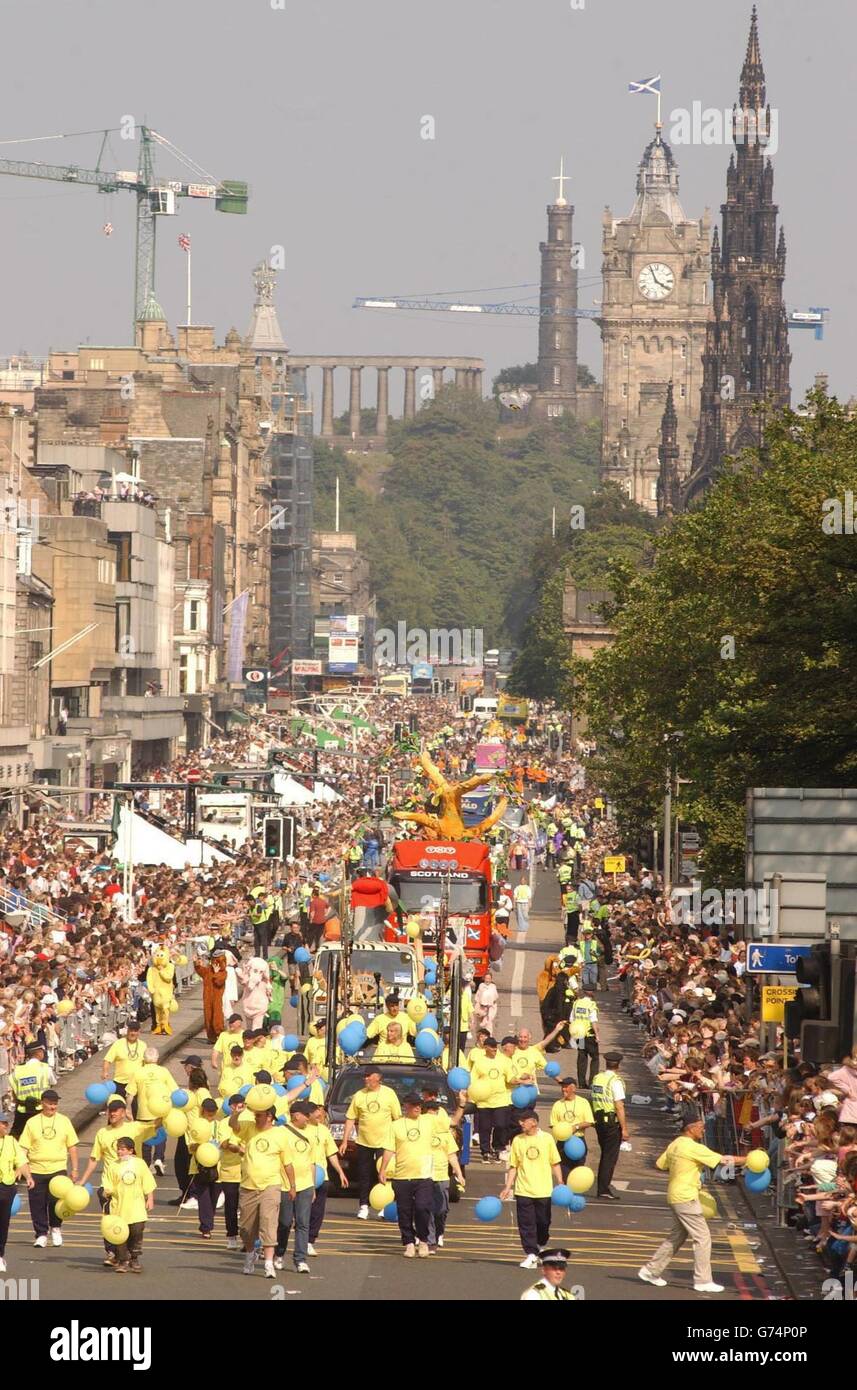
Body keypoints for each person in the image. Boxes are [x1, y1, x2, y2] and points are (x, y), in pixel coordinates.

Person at [639, 1116, 748, 1294]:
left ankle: (651, 1271)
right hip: (686, 1196)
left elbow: (661, 1164)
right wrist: (747, 1159)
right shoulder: (692, 1147)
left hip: (674, 1194)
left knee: (677, 1236)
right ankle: (702, 1280)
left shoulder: (675, 1144)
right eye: (700, 1127)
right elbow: (723, 1160)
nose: (703, 1130)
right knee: (703, 1237)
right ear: (690, 1128)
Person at [500, 1108, 563, 1269]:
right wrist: (508, 1187)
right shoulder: (518, 1140)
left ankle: (540, 1245)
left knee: (543, 1222)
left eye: (524, 1121)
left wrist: (560, 1182)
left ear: (533, 1122)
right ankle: (531, 1254)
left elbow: (555, 1162)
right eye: (520, 1121)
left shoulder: (547, 1139)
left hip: (543, 1190)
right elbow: (513, 1166)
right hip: (523, 1190)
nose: (521, 1123)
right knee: (526, 1224)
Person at [18, 1089, 79, 1248]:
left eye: (55, 1103)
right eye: (50, 1103)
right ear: (42, 1103)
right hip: (36, 1169)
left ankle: (56, 1229)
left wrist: (75, 1169)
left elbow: (72, 1146)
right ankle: (41, 1234)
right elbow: (23, 1147)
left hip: (58, 1168)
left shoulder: (64, 1121)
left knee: (55, 1201)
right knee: (37, 1203)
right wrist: (20, 1167)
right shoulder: (32, 1122)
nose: (53, 1106)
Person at [379, 1092, 437, 1258]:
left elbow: (452, 1122)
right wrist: (383, 1169)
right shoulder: (396, 1125)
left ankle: (424, 1240)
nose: (418, 1107)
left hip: (424, 1175)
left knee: (422, 1207)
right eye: (414, 1105)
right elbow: (389, 1149)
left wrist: (462, 1104)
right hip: (402, 1176)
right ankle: (409, 1243)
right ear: (406, 1107)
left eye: (419, 1105)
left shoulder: (428, 1121)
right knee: (404, 1211)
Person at [340, 1065, 402, 1218]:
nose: (365, 1079)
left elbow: (398, 1119)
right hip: (364, 1142)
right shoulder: (359, 1095)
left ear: (378, 1078)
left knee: (384, 1175)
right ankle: (363, 1206)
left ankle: (384, 1206)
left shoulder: (389, 1094)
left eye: (369, 1076)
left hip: (385, 1143)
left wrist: (399, 1141)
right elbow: (350, 1118)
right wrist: (345, 1140)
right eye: (365, 1076)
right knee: (364, 1175)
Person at [238, 1101, 292, 1278]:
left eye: (259, 1115)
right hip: (248, 1186)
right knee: (246, 1228)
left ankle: (269, 1263)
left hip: (271, 1185)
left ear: (270, 1116)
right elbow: (233, 1126)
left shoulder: (280, 1134)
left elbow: (288, 1163)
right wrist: (237, 1112)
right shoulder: (250, 1128)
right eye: (255, 1114)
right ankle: (250, 1252)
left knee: (268, 1222)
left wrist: (292, 1186)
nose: (255, 1117)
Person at [101, 1136, 157, 1273]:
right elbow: (107, 1183)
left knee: (136, 1232)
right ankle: (122, 1260)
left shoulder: (140, 1164)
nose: (119, 1152)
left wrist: (150, 1198)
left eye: (122, 1149)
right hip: (118, 1207)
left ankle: (134, 1258)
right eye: (118, 1150)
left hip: (137, 1207)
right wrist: (106, 1191)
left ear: (131, 1151)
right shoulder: (113, 1165)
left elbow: (148, 1182)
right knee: (120, 1234)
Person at [274, 1100, 317, 1273]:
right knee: (284, 1222)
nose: (308, 1118)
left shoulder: (312, 1134)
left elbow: (312, 1162)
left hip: (305, 1185)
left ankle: (300, 1259)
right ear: (295, 1115)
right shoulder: (280, 1132)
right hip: (284, 1185)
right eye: (306, 1115)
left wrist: (313, 1187)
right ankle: (279, 1254)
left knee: (303, 1223)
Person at [306, 1102, 349, 1255]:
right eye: (316, 1113)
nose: (320, 1115)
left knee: (317, 1212)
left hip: (321, 1176)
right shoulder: (298, 1130)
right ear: (308, 1114)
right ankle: (299, 1237)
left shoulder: (324, 1131)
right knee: (301, 1211)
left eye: (321, 1113)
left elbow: (331, 1153)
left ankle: (310, 1241)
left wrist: (340, 1172)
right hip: (303, 1177)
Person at [423, 1097, 465, 1252]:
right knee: (428, 1209)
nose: (433, 1118)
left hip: (442, 1176)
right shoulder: (419, 1132)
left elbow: (452, 1155)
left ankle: (439, 1232)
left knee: (441, 1210)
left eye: (435, 1113)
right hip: (424, 1176)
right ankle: (430, 1240)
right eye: (430, 1114)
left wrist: (459, 1174)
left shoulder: (445, 1133)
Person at [126, 1047, 174, 1174]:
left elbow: (130, 1094)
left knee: (145, 1139)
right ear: (157, 1058)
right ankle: (158, 1158)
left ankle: (146, 1164)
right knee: (160, 1136)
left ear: (144, 1059)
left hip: (143, 1111)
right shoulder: (163, 1071)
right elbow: (174, 1091)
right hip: (160, 1110)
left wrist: (128, 1109)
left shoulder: (138, 1072)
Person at [469, 1036, 515, 1162]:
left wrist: (521, 1080)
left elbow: (510, 1078)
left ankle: (497, 1147)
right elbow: (473, 1079)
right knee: (485, 1127)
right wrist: (471, 1095)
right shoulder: (479, 1062)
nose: (495, 1049)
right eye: (492, 1046)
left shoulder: (503, 1060)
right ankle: (485, 1151)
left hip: (501, 1099)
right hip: (484, 1101)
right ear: (485, 1048)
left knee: (501, 1125)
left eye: (496, 1046)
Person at [591, 1051, 628, 1200]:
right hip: (611, 1122)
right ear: (618, 1065)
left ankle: (602, 1186)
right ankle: (603, 1189)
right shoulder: (615, 1081)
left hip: (599, 1120)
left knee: (605, 1154)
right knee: (609, 1157)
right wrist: (624, 1128)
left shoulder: (597, 1078)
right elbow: (619, 1106)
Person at [0, 1109, 33, 1272]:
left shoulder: (11, 1142)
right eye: (2, 1123)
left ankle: (0, 1255)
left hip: (6, 1187)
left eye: (6, 1123)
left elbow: (21, 1162)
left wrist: (28, 1177)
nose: (5, 1126)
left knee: (3, 1223)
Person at [551, 1078, 595, 1181]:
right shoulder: (557, 1105)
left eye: (566, 1087)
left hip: (578, 1142)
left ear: (573, 1088)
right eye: (562, 1087)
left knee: (577, 1176)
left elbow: (589, 1121)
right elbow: (553, 1125)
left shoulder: (583, 1102)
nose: (563, 1089)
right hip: (563, 1144)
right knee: (565, 1176)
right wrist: (563, 1131)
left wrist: (575, 1127)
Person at [9, 1042, 54, 1138]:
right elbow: (53, 1083)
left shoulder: (17, 1070)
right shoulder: (45, 1068)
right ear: (38, 1053)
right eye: (42, 1051)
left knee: (16, 1137)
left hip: (22, 1110)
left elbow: (13, 1091)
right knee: (44, 1136)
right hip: (40, 1109)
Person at [101, 1020, 145, 1099]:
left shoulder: (143, 1045)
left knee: (134, 1109)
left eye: (135, 1031)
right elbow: (107, 1060)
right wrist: (105, 1071)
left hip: (136, 1083)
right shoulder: (118, 1043)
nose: (133, 1033)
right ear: (127, 1031)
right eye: (131, 1030)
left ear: (139, 1032)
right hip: (120, 1083)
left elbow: (146, 1064)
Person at [569, 986, 600, 1089]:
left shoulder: (576, 1003)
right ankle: (592, 1082)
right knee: (595, 1058)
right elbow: (593, 1021)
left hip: (580, 1035)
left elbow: (571, 1018)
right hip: (589, 1035)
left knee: (582, 1057)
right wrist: (597, 1035)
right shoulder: (591, 1005)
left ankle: (581, 1083)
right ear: (592, 993)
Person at [474, 970, 499, 1035]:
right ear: (484, 979)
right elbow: (477, 997)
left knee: (488, 1025)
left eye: (489, 978)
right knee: (479, 1026)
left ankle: (488, 1039)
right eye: (486, 978)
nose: (487, 980)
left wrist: (490, 1006)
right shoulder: (481, 986)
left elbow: (495, 998)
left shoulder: (493, 987)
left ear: (491, 979)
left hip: (489, 1010)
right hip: (481, 1009)